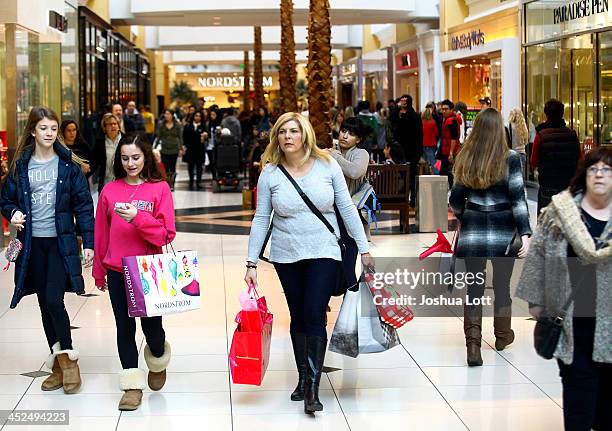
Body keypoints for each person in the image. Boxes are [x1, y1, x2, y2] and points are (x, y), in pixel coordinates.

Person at [245, 112, 373, 414]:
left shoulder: (327, 165)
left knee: (315, 312)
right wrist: (251, 262)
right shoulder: (271, 174)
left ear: (305, 135)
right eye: (282, 132)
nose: (288, 137)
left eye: (294, 131)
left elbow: (345, 207)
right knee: (298, 314)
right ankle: (303, 377)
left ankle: (313, 387)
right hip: (286, 254)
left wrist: (364, 248)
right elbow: (262, 217)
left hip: (324, 250)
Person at [0, 106, 94, 394]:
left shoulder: (68, 167)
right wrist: (13, 211)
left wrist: (88, 242)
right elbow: (5, 199)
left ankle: (68, 360)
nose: (50, 133)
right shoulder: (20, 166)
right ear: (32, 131)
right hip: (32, 244)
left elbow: (83, 207)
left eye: (53, 128)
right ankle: (58, 363)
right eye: (43, 128)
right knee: (43, 303)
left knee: (54, 300)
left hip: (59, 243)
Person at [516, 146, 611, 431]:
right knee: (578, 402)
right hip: (573, 323)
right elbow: (539, 255)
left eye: (607, 170)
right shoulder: (560, 212)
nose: (599, 175)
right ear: (584, 174)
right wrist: (535, 300)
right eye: (594, 169)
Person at [93, 133, 176, 411]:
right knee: (124, 327)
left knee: (152, 328)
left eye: (136, 157)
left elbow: (166, 234)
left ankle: (157, 357)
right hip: (117, 268)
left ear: (146, 157)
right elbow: (101, 234)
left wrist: (138, 218)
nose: (131, 163)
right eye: (125, 158)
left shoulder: (159, 189)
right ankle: (131, 385)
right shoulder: (109, 191)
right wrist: (98, 271)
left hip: (148, 270)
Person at [449, 108, 532, 366]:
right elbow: (518, 200)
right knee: (502, 287)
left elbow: (454, 199)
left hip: (473, 231)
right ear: (500, 130)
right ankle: (502, 335)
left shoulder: (466, 156)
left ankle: (473, 347)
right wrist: (526, 234)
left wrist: (466, 215)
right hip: (503, 232)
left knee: (474, 290)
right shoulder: (510, 158)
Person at [530, 99, 581, 213]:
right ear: (562, 113)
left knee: (545, 223)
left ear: (546, 114)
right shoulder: (572, 135)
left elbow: (533, 162)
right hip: (567, 187)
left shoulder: (541, 136)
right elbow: (579, 160)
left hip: (547, 186)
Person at [389, 94, 422, 205]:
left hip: (412, 151)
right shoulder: (397, 114)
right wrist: (397, 109)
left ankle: (413, 199)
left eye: (404, 101)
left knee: (412, 176)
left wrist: (418, 152)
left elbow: (418, 135)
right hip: (399, 151)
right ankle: (402, 197)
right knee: (401, 176)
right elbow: (392, 120)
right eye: (401, 100)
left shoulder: (414, 116)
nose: (402, 102)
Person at [94, 113, 122, 192]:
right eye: (109, 124)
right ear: (105, 127)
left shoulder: (126, 140)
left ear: (118, 126)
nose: (113, 126)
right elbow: (94, 162)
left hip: (123, 181)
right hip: (106, 182)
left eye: (115, 124)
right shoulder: (100, 142)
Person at [156, 108, 183, 190]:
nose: (166, 116)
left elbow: (180, 137)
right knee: (166, 167)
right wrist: (154, 146)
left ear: (172, 115)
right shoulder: (161, 124)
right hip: (164, 148)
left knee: (173, 167)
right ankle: (167, 184)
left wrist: (181, 148)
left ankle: (172, 184)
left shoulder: (177, 124)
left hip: (174, 148)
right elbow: (158, 136)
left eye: (168, 114)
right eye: (165, 114)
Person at [182, 110, 207, 190]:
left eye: (199, 116)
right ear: (193, 116)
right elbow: (184, 137)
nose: (198, 117)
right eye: (196, 116)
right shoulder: (188, 126)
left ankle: (199, 181)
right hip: (190, 149)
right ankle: (191, 180)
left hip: (200, 149)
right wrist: (184, 146)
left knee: (199, 166)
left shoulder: (203, 126)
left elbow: (207, 137)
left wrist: (205, 136)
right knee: (190, 165)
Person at [439, 99, 460, 186]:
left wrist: (451, 153)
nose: (443, 111)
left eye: (446, 109)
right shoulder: (446, 120)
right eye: (442, 109)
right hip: (445, 150)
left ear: (451, 110)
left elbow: (453, 137)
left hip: (449, 152)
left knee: (447, 173)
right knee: (447, 173)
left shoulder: (452, 121)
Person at [507, 108, 529, 174]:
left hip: (512, 154)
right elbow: (526, 142)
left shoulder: (509, 126)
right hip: (522, 155)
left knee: (512, 178)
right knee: (521, 178)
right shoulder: (524, 127)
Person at [421, 106, 439, 174]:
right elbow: (436, 133)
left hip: (423, 144)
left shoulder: (421, 122)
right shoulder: (433, 122)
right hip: (431, 144)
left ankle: (426, 174)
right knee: (432, 161)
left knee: (425, 161)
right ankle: (436, 175)